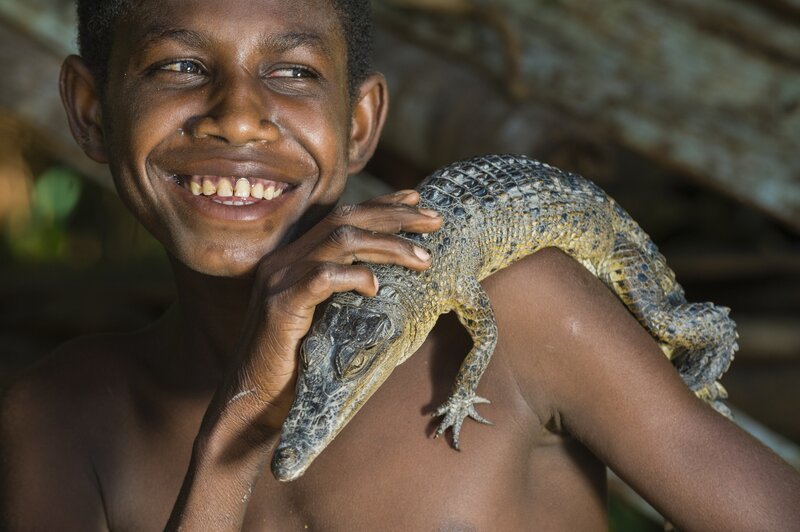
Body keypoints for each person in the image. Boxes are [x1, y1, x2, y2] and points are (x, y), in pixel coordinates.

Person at [2, 0, 799, 530]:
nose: (239, 115)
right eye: (178, 65)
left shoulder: (521, 308)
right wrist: (235, 431)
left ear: (359, 124)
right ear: (91, 110)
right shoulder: (60, 415)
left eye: (293, 71)